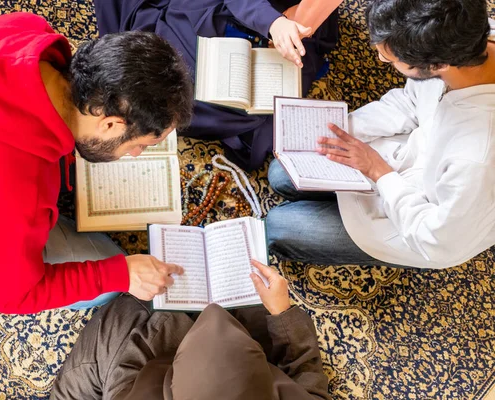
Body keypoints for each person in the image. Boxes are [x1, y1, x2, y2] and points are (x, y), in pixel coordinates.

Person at [0, 13, 194, 314]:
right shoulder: (15, 194)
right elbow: (7, 297)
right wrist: (122, 274)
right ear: (111, 125)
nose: (136, 154)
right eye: (139, 144)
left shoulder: (28, 30)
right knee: (105, 280)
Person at [266, 0, 495, 268]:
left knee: (279, 226)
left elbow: (437, 241)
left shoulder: (477, 157)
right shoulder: (462, 30)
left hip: (422, 224)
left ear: (436, 66)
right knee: (280, 172)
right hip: (406, 160)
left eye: (388, 58)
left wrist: (380, 172)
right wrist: (342, 127)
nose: (380, 59)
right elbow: (412, 102)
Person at [94, 0, 343, 170]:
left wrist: (287, 24)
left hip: (292, 16)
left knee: (228, 100)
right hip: (231, 8)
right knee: (173, 71)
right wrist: (270, 22)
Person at [49, 261, 331, 400]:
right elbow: (306, 372)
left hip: (148, 354)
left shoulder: (120, 374)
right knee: (261, 312)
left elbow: (75, 382)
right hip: (239, 355)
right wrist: (282, 312)